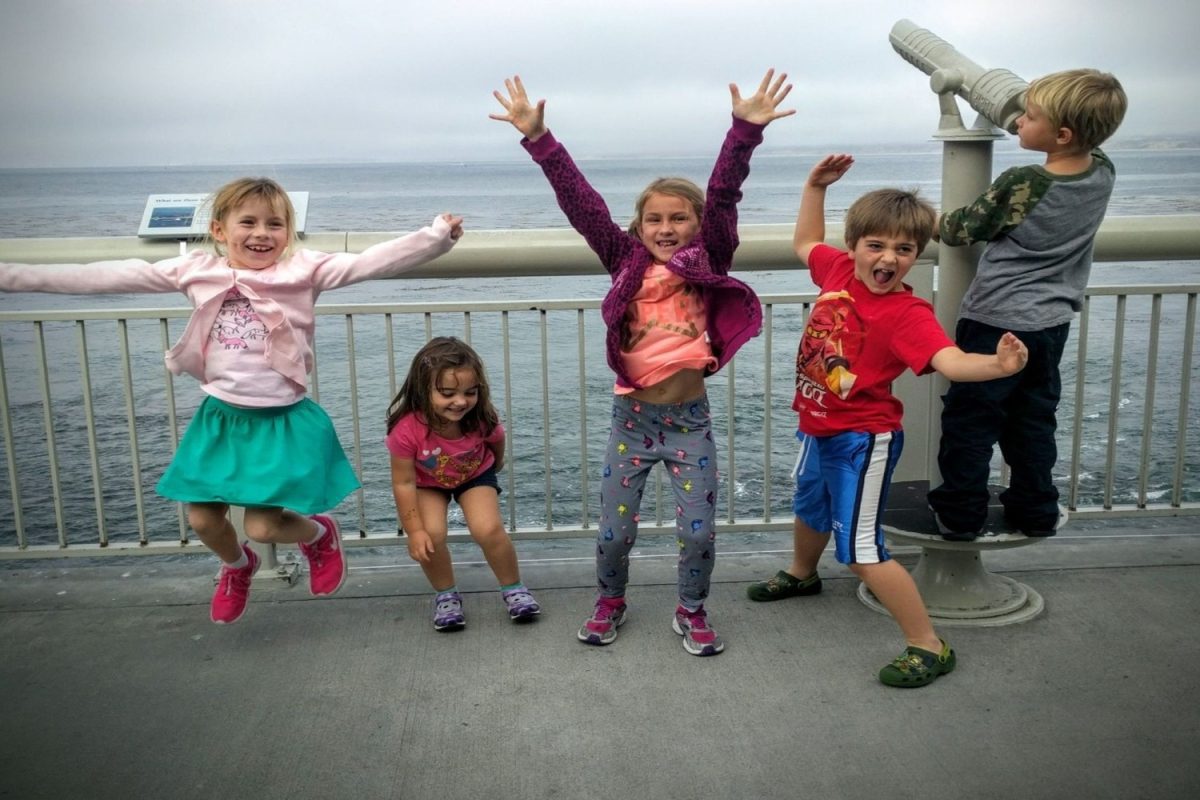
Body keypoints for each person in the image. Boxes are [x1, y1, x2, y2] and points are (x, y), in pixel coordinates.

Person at [0, 177, 463, 624]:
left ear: (288, 233)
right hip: (221, 419)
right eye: (248, 222)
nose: (262, 233)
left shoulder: (303, 272)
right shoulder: (197, 270)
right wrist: (10, 276)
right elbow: (106, 276)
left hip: (279, 421)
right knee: (203, 520)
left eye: (275, 224)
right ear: (220, 230)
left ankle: (319, 534)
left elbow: (373, 261)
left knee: (263, 527)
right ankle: (237, 566)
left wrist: (436, 237)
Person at [490, 70, 793, 656]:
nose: (666, 228)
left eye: (679, 218)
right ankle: (610, 601)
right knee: (613, 533)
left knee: (699, 531)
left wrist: (744, 131)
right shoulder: (624, 259)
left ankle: (692, 609)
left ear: (699, 226)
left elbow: (726, 193)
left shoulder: (711, 257)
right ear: (638, 227)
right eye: (654, 219)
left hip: (689, 422)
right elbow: (583, 206)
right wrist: (540, 140)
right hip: (630, 423)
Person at [745, 154, 1029, 687]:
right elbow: (805, 241)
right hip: (818, 424)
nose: (888, 258)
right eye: (875, 245)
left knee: (861, 549)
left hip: (863, 439)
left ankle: (929, 643)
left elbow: (949, 361)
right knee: (810, 503)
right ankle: (803, 573)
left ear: (916, 256)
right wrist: (813, 187)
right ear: (853, 248)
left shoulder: (907, 314)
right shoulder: (834, 270)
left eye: (904, 249)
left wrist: (997, 364)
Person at [927, 69, 1128, 539]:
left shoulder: (1024, 183)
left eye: (1029, 115)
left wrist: (919, 219)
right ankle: (1035, 510)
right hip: (1051, 322)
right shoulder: (1102, 170)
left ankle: (959, 515)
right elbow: (1088, 142)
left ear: (1061, 134)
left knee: (971, 422)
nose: (1017, 120)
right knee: (1032, 420)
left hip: (995, 320)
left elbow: (959, 230)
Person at [385, 336, 540, 631]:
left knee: (488, 528)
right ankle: (446, 594)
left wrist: (497, 463)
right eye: (447, 393)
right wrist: (414, 530)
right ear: (422, 390)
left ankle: (513, 588)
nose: (460, 402)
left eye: (470, 392)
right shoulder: (406, 430)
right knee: (431, 534)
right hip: (426, 482)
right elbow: (403, 482)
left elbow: (497, 440)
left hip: (475, 474)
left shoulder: (480, 416)